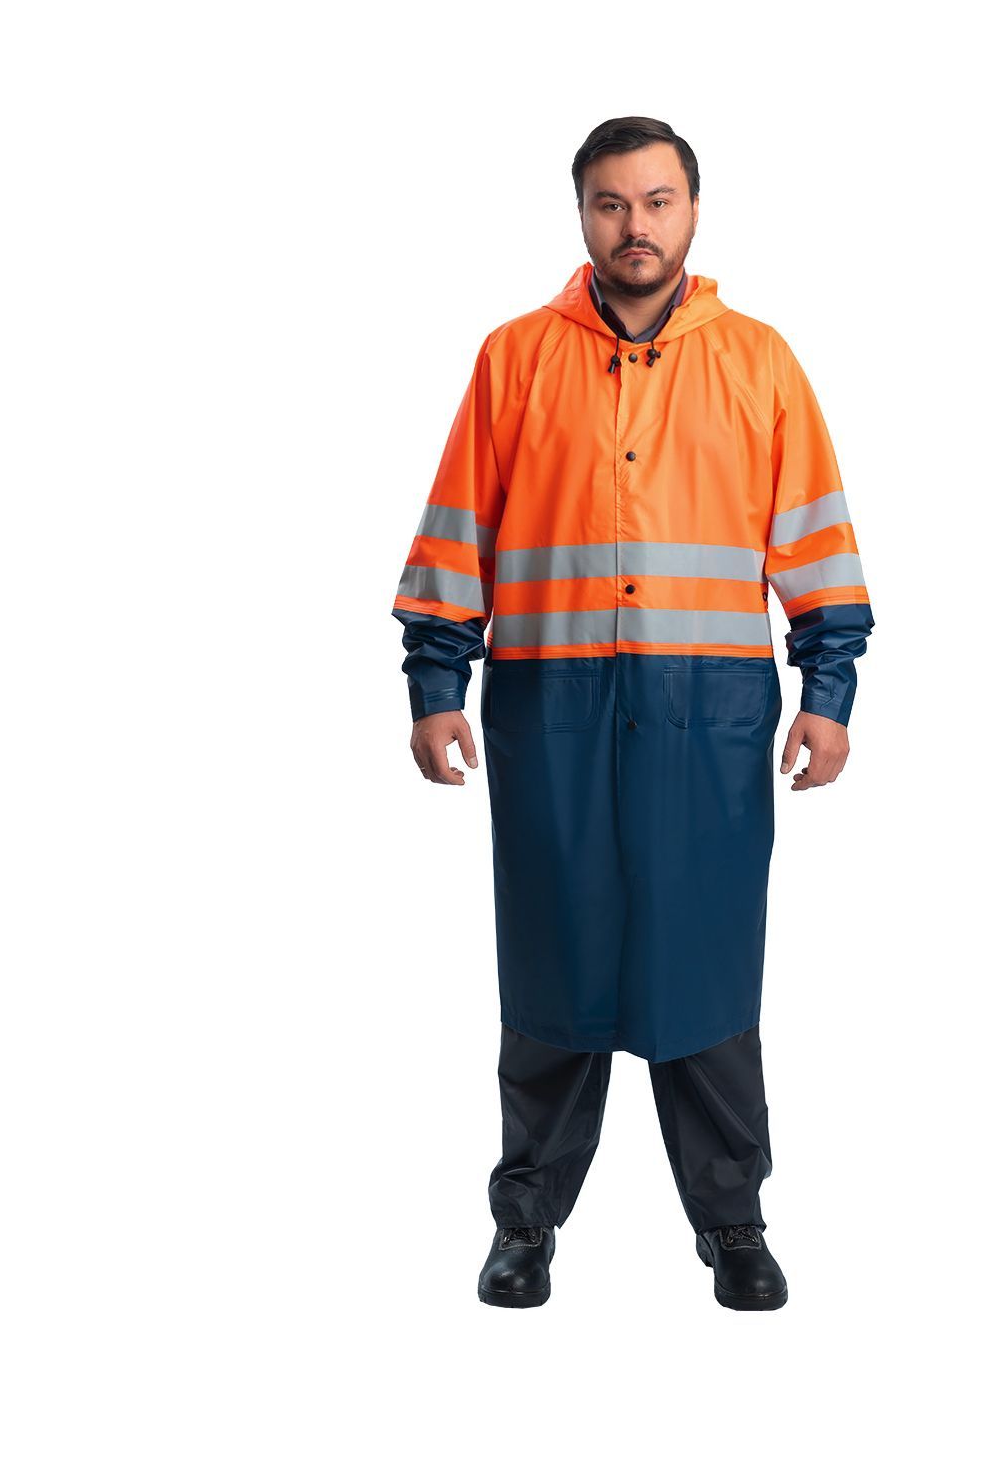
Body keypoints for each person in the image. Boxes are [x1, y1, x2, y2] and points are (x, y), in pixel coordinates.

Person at [392, 117, 874, 1310]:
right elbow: (460, 526)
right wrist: (435, 684)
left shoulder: (760, 362)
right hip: (550, 709)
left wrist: (829, 693)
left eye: (658, 201)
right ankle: (525, 1222)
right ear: (583, 216)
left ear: (693, 211)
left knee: (704, 967)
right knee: (552, 966)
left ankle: (734, 1222)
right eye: (611, 203)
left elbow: (815, 537)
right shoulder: (515, 359)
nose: (636, 226)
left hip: (709, 715)